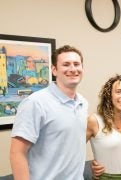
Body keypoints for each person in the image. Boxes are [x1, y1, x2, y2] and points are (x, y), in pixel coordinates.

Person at [10, 45, 88, 180]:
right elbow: (17, 152)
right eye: (66, 64)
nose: (73, 69)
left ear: (82, 68)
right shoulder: (35, 103)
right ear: (54, 70)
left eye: (77, 64)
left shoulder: (83, 103)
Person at [86, 73, 121, 180]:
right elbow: (73, 150)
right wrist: (90, 166)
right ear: (109, 95)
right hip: (107, 177)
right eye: (118, 91)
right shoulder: (94, 120)